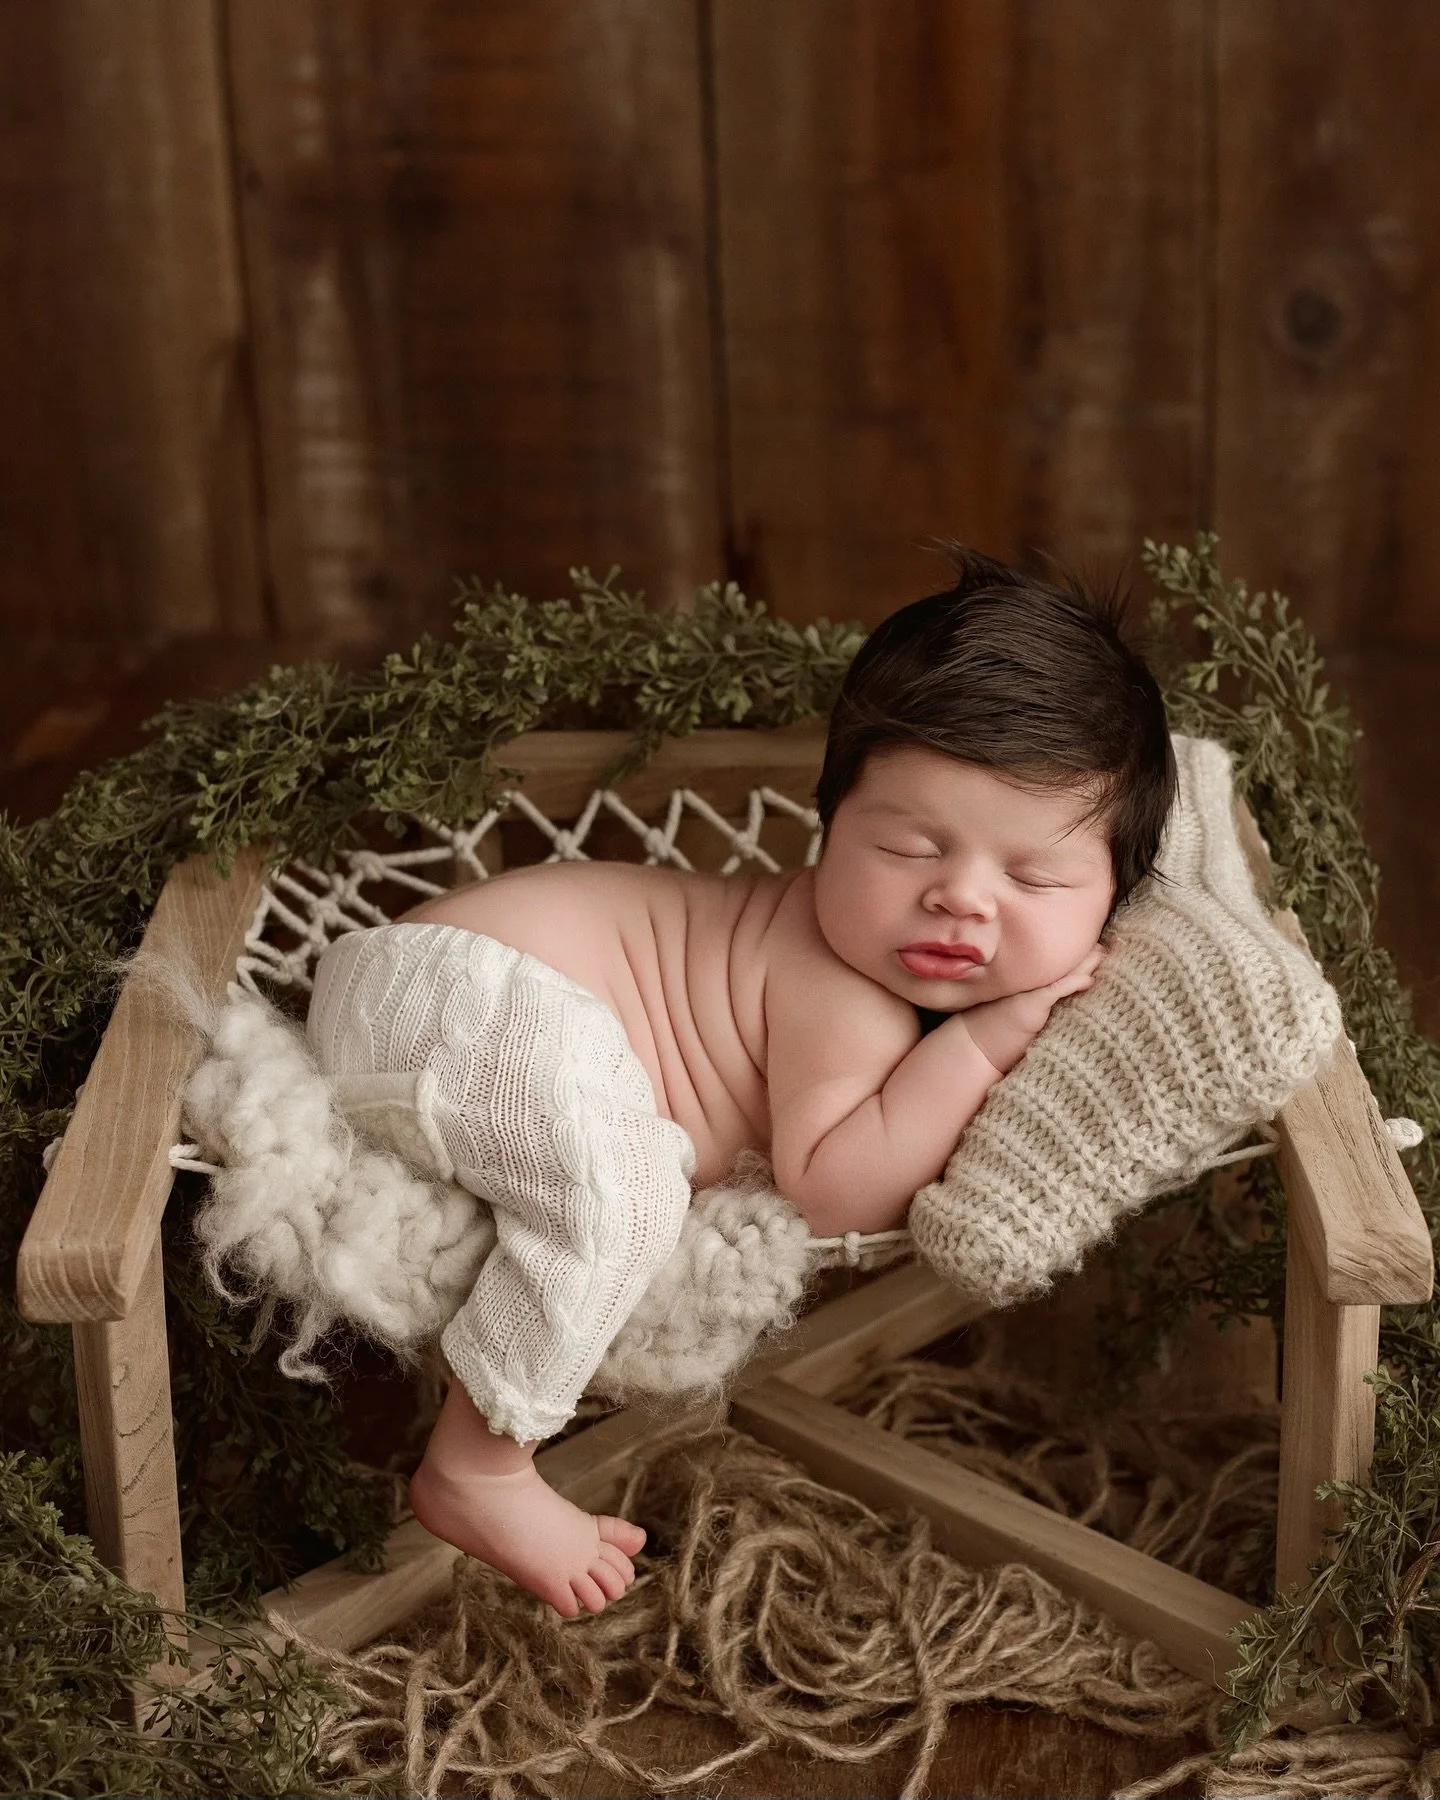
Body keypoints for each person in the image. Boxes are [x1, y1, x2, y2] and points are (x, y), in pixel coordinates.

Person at [304, 545, 1176, 1619]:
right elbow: (832, 1187)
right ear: (826, 828)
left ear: (1115, 900)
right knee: (625, 1192)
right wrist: (988, 1043)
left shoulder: (879, 965)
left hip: (432, 1006)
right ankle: (476, 1467)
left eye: (1033, 876)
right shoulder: (836, 980)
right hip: (459, 998)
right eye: (905, 848)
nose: (960, 899)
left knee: (611, 1172)